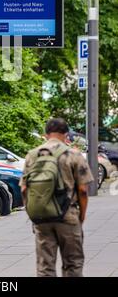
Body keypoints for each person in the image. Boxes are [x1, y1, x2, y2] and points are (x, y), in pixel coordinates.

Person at [20, 118, 93, 277]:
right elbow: (82, 190)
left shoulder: (32, 155)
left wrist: (33, 213)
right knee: (73, 263)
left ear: (46, 135)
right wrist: (81, 216)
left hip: (42, 218)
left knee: (45, 267)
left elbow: (24, 189)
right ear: (66, 134)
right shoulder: (73, 154)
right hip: (67, 215)